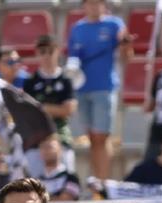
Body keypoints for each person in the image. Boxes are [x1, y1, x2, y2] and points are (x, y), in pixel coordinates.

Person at [67, 0, 131, 181]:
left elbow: (127, 56)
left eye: (98, 3)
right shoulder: (77, 28)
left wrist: (125, 45)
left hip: (104, 87)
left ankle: (102, 183)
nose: (94, 6)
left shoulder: (114, 24)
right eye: (90, 3)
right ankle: (97, 180)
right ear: (84, 6)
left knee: (102, 137)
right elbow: (73, 57)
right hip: (82, 88)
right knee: (91, 138)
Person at [23, 34, 77, 175]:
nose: (46, 56)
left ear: (57, 51)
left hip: (60, 134)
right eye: (42, 52)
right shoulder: (31, 82)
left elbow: (68, 109)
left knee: (66, 175)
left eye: (50, 51)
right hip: (36, 137)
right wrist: (55, 109)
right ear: (37, 53)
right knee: (35, 183)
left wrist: (41, 107)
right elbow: (27, 111)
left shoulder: (66, 80)